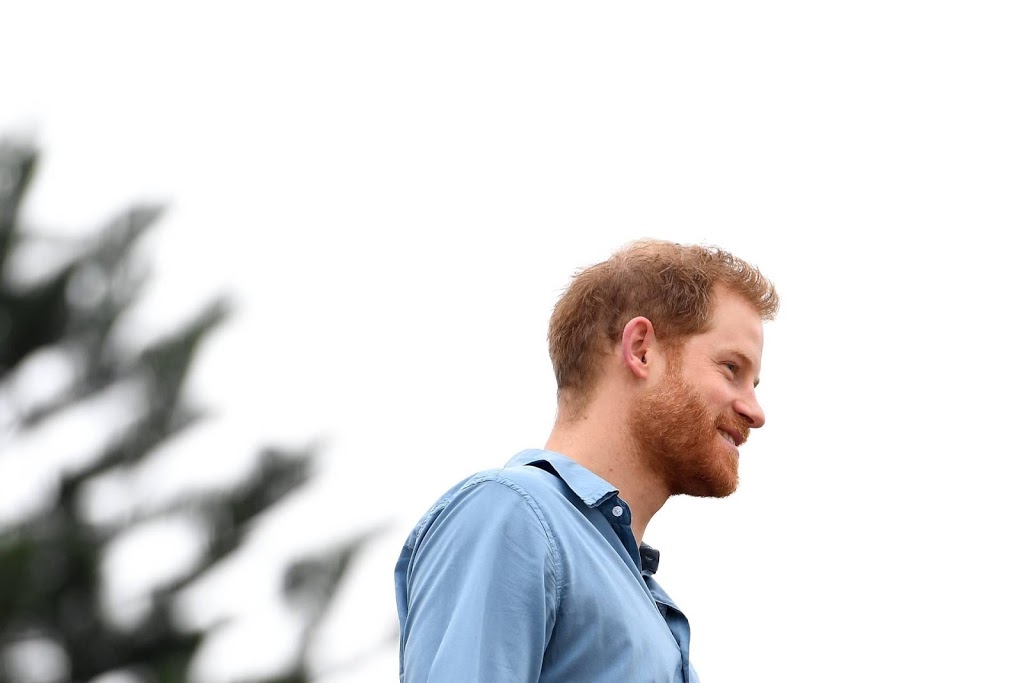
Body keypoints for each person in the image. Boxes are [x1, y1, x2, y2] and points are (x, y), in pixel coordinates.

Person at [394, 239, 779, 682]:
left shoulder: (642, 599)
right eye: (732, 368)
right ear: (641, 350)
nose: (756, 412)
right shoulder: (512, 515)